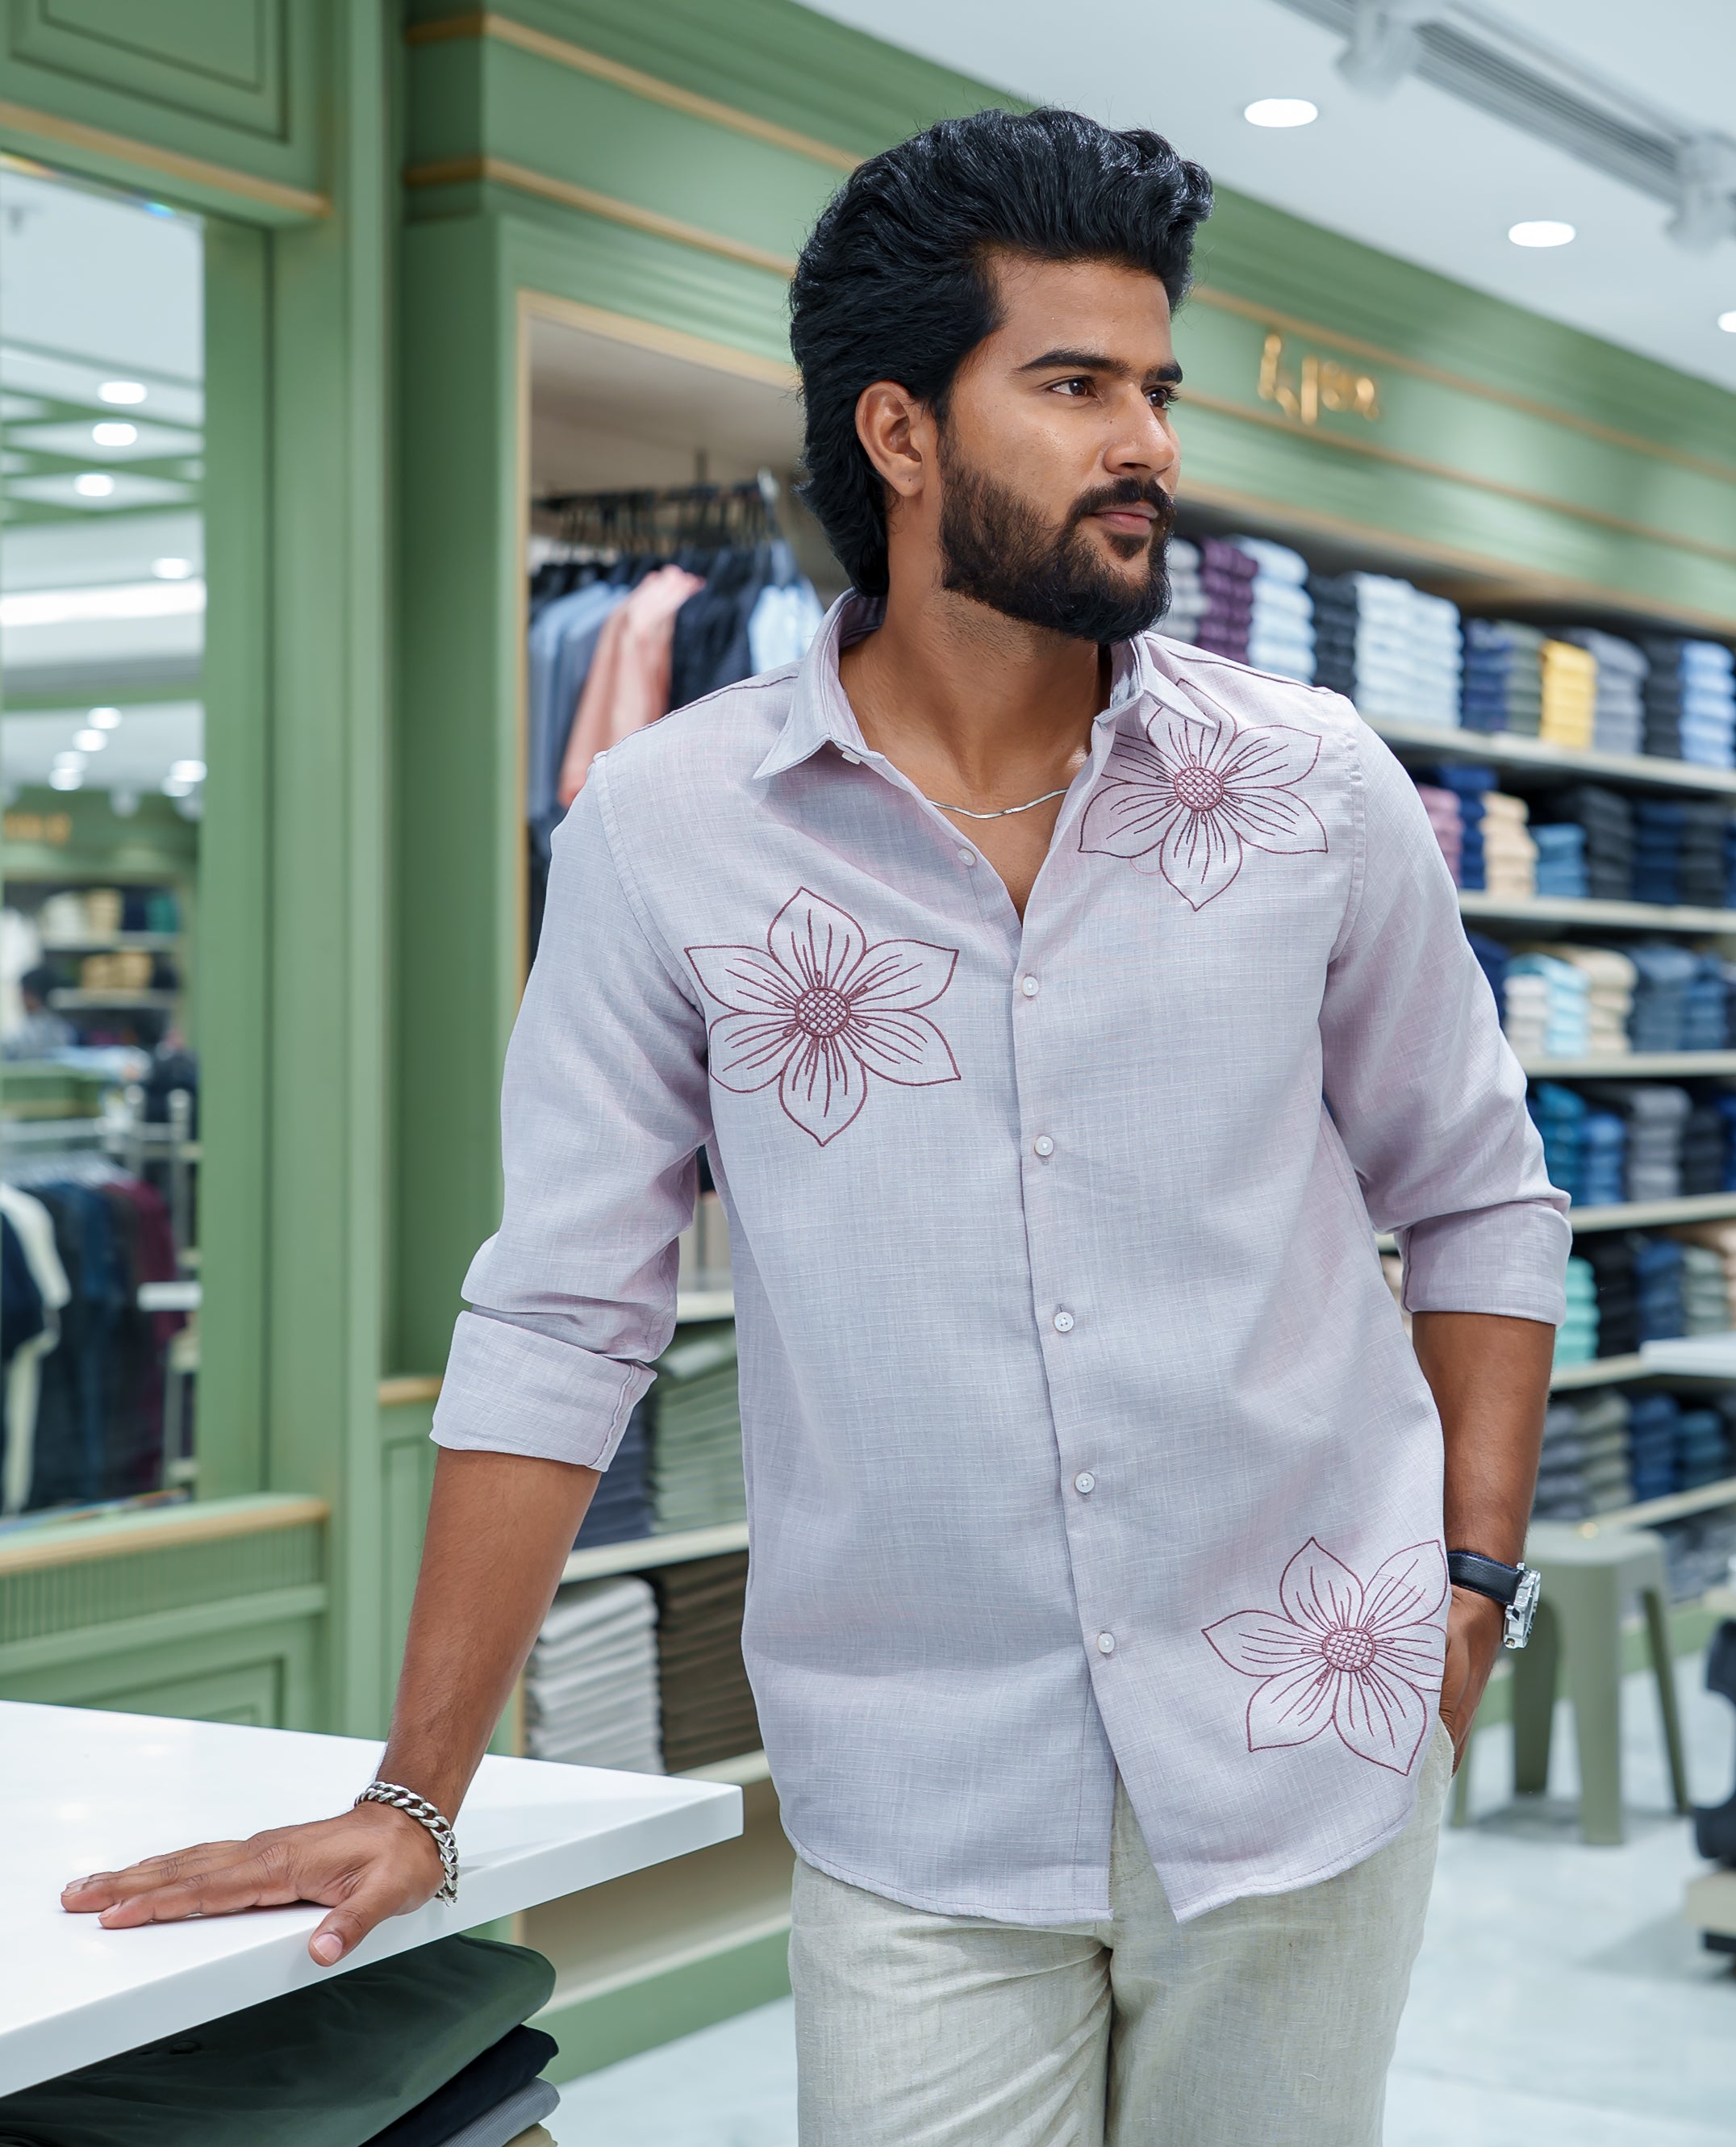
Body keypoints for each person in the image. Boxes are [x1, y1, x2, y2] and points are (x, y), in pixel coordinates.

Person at [65, 109, 1567, 2145]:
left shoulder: (1308, 785)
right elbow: (559, 1316)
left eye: (1155, 387)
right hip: (921, 1798)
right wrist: (418, 1789)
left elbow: (1475, 1198)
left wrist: (1472, 1577)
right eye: (1072, 384)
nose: (1145, 441)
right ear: (900, 432)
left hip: (1307, 1747)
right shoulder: (671, 830)